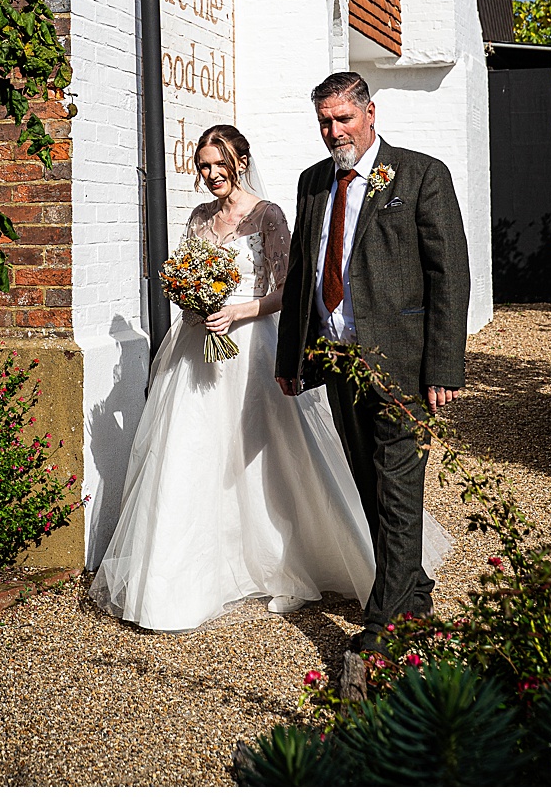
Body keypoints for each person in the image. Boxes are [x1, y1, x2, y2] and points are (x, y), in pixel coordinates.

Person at [91, 125, 393, 631]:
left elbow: (288, 288)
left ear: (241, 161)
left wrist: (237, 312)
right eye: (203, 166)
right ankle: (184, 577)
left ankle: (282, 562)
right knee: (192, 453)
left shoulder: (267, 215)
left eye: (218, 165)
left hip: (252, 345)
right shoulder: (200, 218)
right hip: (199, 349)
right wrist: (194, 302)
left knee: (267, 453)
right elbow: (187, 273)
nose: (210, 176)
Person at [275, 72, 470, 656]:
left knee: (399, 490)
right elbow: (301, 275)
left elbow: (449, 276)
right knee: (369, 487)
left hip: (401, 365)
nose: (334, 132)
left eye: (343, 119)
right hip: (336, 362)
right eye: (325, 123)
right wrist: (292, 356)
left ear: (370, 114)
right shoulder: (315, 182)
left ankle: (383, 629)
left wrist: (443, 368)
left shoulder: (421, 175)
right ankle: (415, 596)